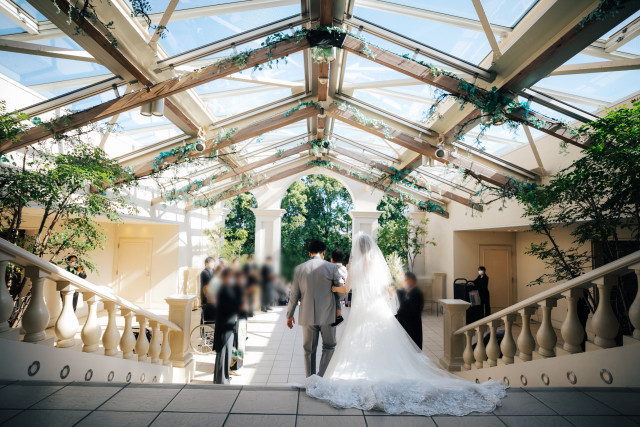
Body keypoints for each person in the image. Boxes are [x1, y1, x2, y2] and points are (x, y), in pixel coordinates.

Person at [304, 233, 506, 416]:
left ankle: (367, 374)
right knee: (386, 343)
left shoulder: (354, 266)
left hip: (362, 311)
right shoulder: (376, 263)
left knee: (357, 342)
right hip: (377, 309)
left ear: (357, 249)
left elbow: (346, 288)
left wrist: (328, 287)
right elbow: (387, 289)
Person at [286, 239, 343, 377]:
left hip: (307, 315)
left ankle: (310, 381)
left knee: (309, 350)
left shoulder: (299, 269)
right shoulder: (332, 268)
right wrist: (337, 306)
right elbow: (340, 292)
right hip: (328, 315)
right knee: (329, 346)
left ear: (309, 252)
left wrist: (289, 315)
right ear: (323, 253)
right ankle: (321, 378)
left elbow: (294, 296)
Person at [213, 268, 241, 384]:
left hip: (229, 326)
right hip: (224, 327)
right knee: (223, 353)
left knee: (227, 353)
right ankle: (221, 380)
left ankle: (224, 378)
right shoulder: (222, 289)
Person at [396, 271, 424, 349]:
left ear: (411, 280)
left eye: (406, 280)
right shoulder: (410, 291)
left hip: (413, 329)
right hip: (409, 327)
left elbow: (410, 311)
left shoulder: (416, 293)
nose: (405, 282)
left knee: (413, 350)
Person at [330, 249, 347, 327]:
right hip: (343, 291)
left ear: (332, 259)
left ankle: (338, 316)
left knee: (335, 296)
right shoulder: (344, 268)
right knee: (337, 298)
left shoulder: (332, 267)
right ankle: (338, 316)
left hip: (336, 290)